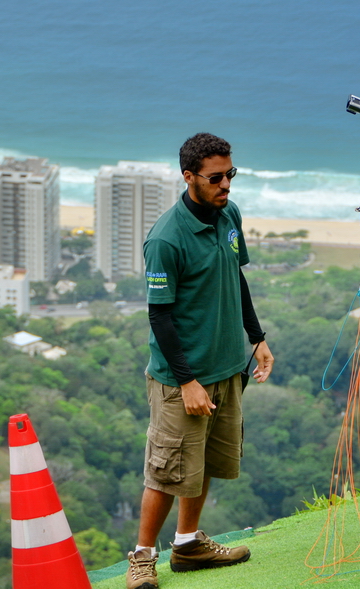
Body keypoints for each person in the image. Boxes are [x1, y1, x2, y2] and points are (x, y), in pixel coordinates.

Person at [125, 133, 275, 589]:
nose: (226, 184)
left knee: (205, 461)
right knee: (167, 468)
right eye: (216, 177)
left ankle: (187, 545)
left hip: (228, 368)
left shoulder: (229, 214)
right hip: (181, 379)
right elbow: (160, 315)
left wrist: (257, 338)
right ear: (188, 177)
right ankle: (143, 557)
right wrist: (188, 382)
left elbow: (237, 278)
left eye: (231, 174)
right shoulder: (167, 239)